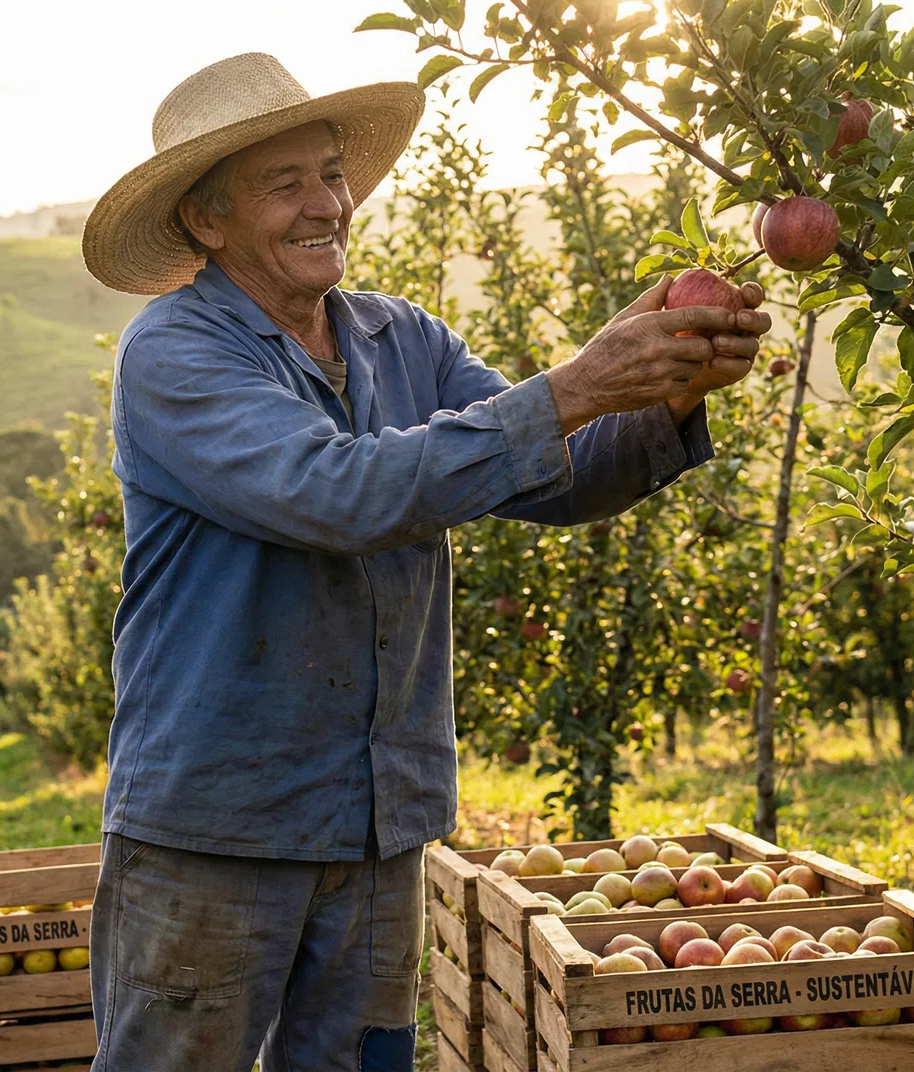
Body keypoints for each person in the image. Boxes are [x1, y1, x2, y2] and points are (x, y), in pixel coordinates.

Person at [77, 52, 770, 1072]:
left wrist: (664, 383)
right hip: (218, 825)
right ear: (206, 221)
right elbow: (338, 490)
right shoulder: (175, 355)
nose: (326, 204)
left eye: (331, 174)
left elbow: (556, 478)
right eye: (285, 185)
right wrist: (578, 381)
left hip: (375, 820)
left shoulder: (403, 337)